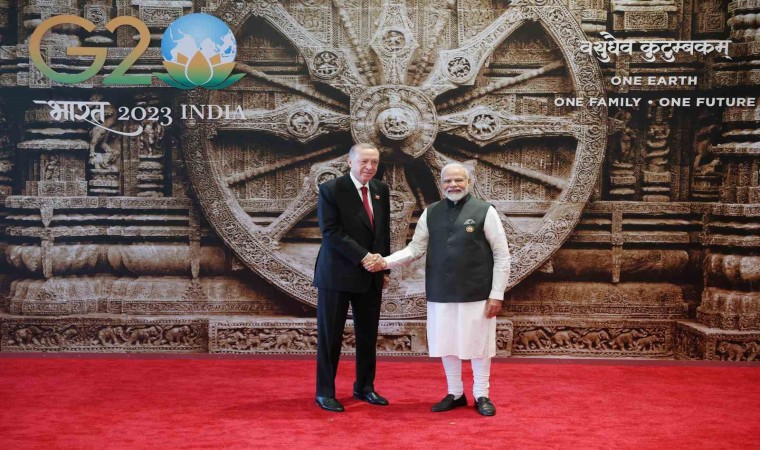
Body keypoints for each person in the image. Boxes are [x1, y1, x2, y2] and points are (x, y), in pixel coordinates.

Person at [364, 162, 510, 417]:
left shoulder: (485, 211)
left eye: (458, 180)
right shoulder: (430, 212)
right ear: (441, 184)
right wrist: (384, 262)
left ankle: (481, 394)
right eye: (447, 181)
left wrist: (497, 294)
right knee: (446, 342)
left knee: (479, 345)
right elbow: (415, 249)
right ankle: (455, 393)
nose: (453, 185)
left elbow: (502, 255)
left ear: (468, 182)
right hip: (440, 290)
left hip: (477, 291)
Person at [313, 143, 391, 412]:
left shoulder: (381, 190)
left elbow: (382, 231)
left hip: (371, 274)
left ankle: (365, 387)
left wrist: (385, 267)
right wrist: (364, 256)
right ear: (350, 161)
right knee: (330, 336)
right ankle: (325, 392)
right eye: (364, 161)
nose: (369, 167)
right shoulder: (331, 189)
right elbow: (331, 232)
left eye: (374, 162)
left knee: (368, 334)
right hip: (337, 273)